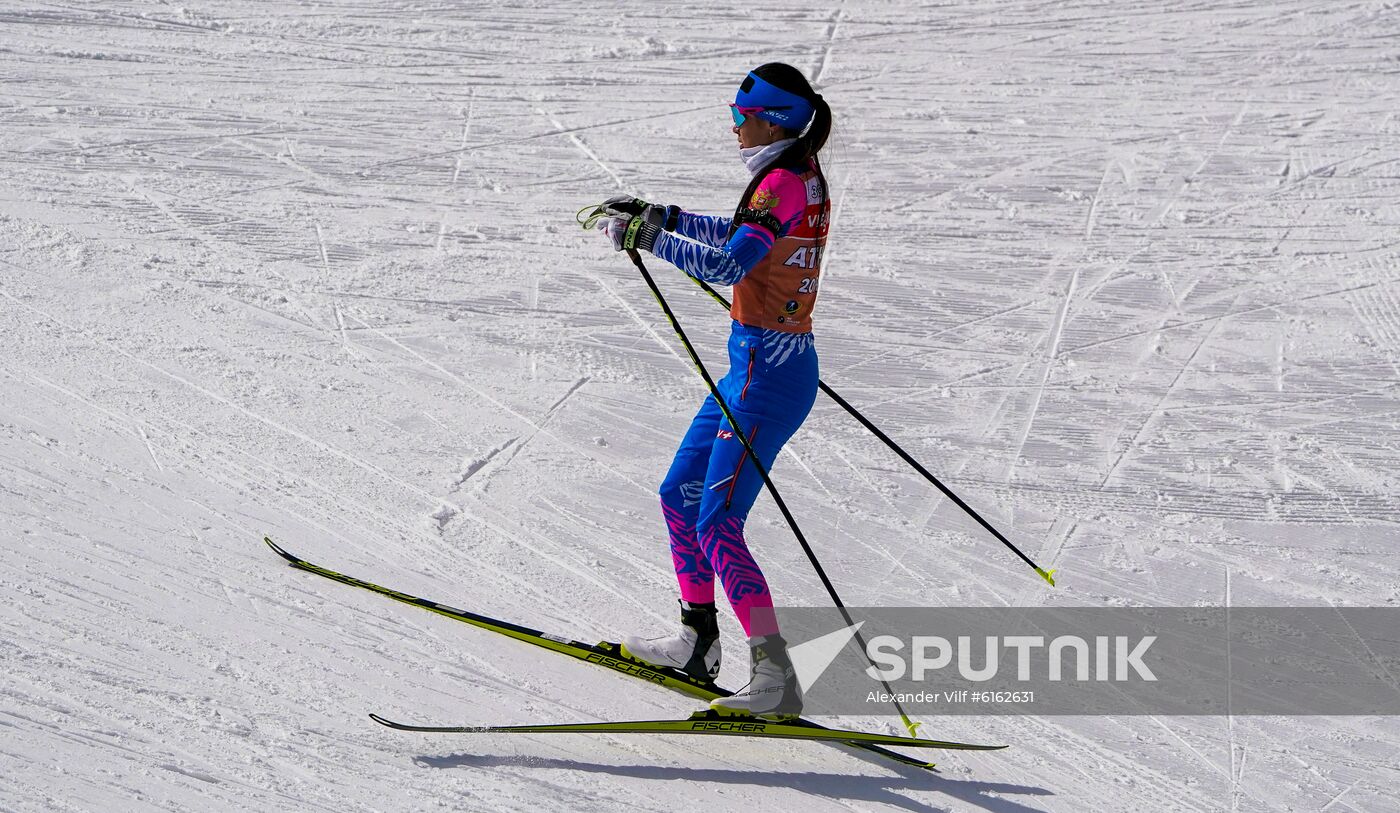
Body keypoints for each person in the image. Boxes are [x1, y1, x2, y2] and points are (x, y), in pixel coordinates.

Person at [591, 63, 832, 719]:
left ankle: (777, 679)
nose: (733, 125)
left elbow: (730, 263)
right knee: (678, 493)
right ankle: (698, 641)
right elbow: (739, 237)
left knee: (719, 521)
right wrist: (662, 216)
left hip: (768, 380)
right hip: (751, 368)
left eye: (740, 114)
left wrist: (651, 239)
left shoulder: (781, 181)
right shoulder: (788, 176)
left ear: (772, 119)